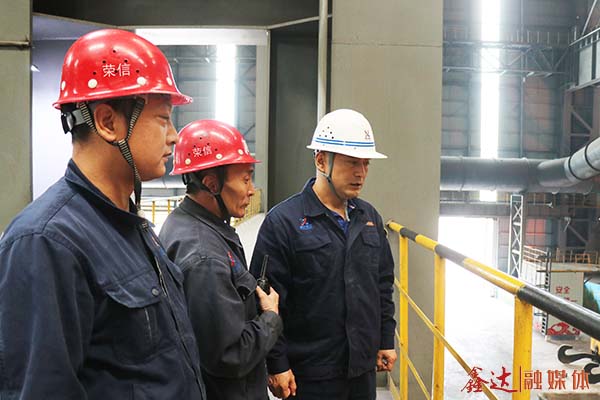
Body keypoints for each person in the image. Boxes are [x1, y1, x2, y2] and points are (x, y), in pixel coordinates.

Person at [0, 29, 206, 399]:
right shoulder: (46, 243)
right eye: (163, 118)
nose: (175, 136)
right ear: (108, 122)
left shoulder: (130, 225)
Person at [250, 109, 398, 400]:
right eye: (352, 162)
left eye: (366, 163)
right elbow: (264, 299)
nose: (361, 172)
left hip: (361, 371)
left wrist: (385, 338)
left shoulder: (369, 217)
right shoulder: (284, 222)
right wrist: (277, 363)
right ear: (321, 160)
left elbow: (382, 285)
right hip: (309, 376)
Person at [159, 119, 283, 400]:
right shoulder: (204, 256)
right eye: (245, 178)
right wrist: (271, 318)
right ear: (211, 183)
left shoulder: (188, 224)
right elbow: (230, 355)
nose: (251, 190)